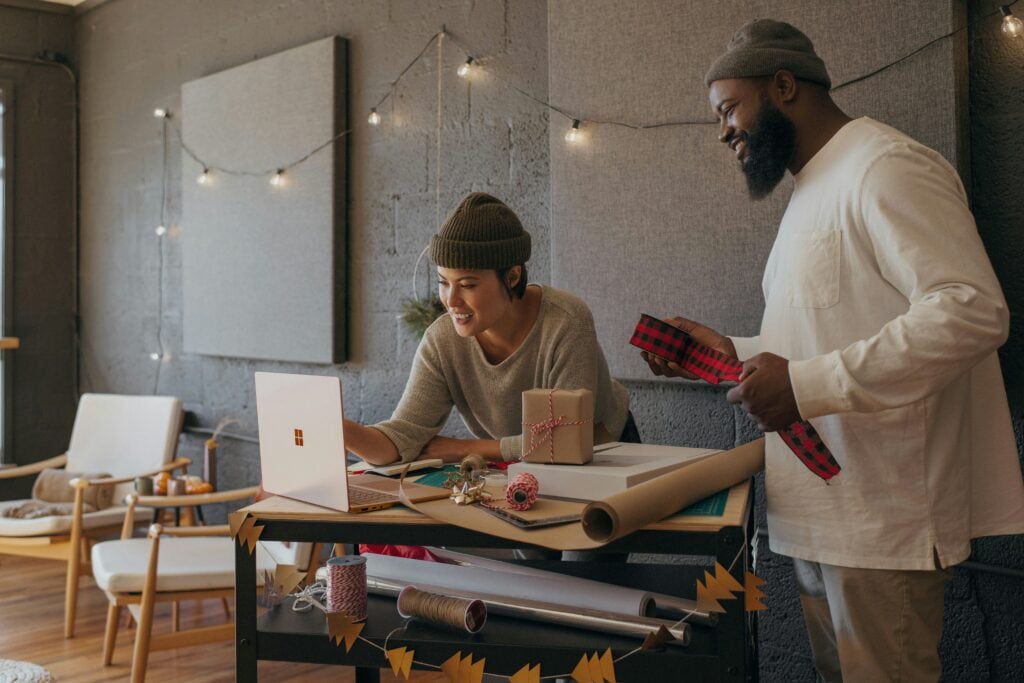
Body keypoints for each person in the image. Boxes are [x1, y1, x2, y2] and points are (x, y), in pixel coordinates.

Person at [642, 19, 1024, 682]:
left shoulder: (885, 165)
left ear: (784, 85)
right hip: (821, 517)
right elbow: (816, 341)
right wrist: (732, 349)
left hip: (883, 520)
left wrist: (806, 385)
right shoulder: (809, 190)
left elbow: (971, 310)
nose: (723, 131)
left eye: (729, 109)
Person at [345, 191, 636, 467]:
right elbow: (401, 439)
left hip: (606, 455)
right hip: (516, 459)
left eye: (468, 285)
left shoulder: (566, 321)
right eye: (443, 282)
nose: (451, 300)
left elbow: (564, 441)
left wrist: (464, 448)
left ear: (512, 276)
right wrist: (336, 428)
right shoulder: (441, 340)